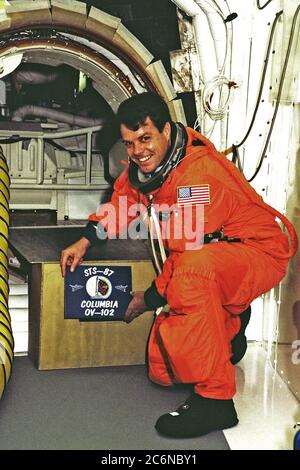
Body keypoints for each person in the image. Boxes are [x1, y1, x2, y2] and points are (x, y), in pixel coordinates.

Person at [60, 92, 297, 439]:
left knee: (190, 277)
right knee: (163, 370)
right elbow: (124, 201)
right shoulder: (148, 169)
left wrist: (148, 299)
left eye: (145, 139)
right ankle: (231, 337)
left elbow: (186, 255)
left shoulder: (198, 176)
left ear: (166, 132)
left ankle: (216, 402)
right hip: (216, 255)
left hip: (257, 253)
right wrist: (85, 240)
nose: (138, 151)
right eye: (129, 143)